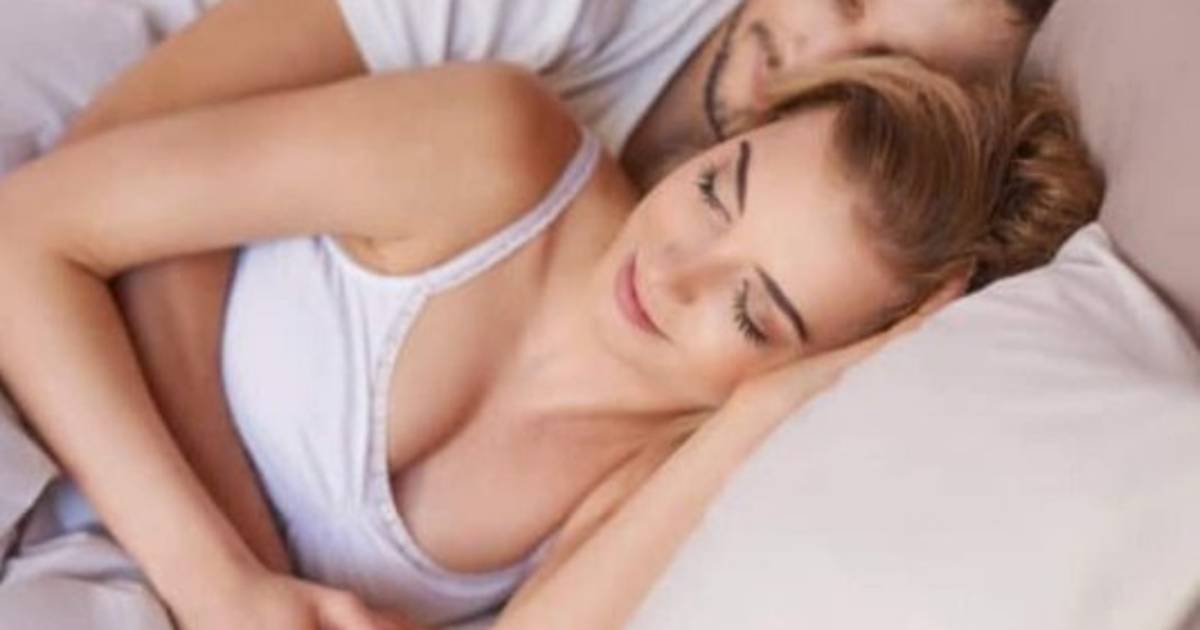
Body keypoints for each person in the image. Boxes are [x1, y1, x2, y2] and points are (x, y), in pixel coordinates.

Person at [0, 49, 1100, 630]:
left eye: (753, 312)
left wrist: (756, 416)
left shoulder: (655, 478)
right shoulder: (496, 153)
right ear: (738, 133)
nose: (670, 272)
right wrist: (219, 582)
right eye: (716, 191)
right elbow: (26, 233)